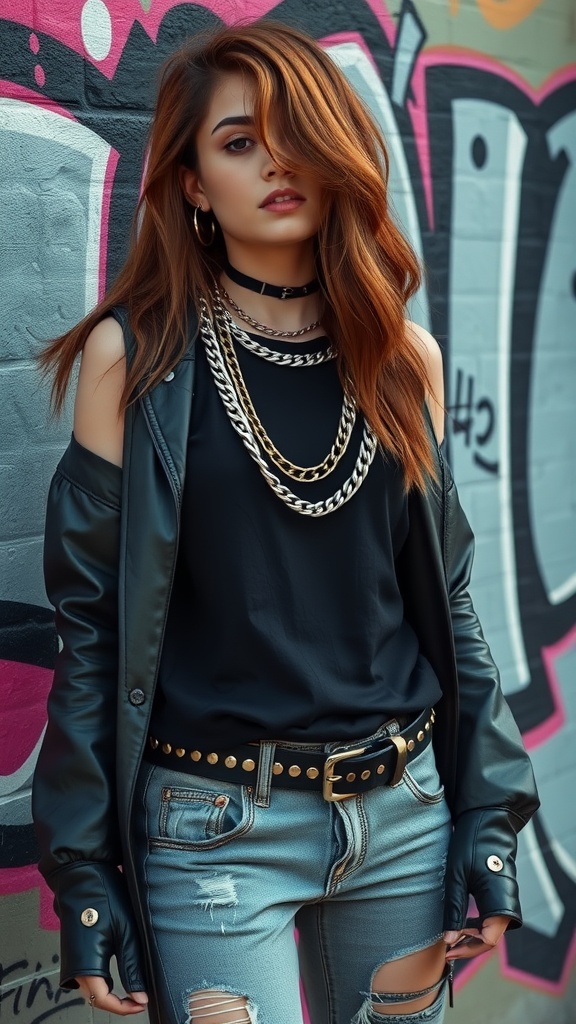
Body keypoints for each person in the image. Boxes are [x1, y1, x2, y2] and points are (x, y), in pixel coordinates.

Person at [32, 20, 539, 1024]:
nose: (277, 163)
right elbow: (89, 634)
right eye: (238, 142)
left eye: (298, 133)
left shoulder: (404, 361)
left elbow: (455, 610)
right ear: (189, 183)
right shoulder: (132, 363)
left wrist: (490, 816)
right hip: (212, 827)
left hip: (405, 813)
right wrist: (83, 870)